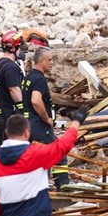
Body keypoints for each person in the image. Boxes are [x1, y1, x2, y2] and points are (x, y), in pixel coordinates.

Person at [0, 110, 86, 216]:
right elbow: (62, 146)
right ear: (27, 132)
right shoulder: (36, 155)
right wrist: (76, 122)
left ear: (7, 133)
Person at [22, 48, 69, 188]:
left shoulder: (28, 78)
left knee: (37, 158)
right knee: (58, 154)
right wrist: (47, 118)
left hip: (28, 123)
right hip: (39, 125)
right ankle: (64, 188)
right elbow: (36, 100)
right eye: (49, 60)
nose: (52, 63)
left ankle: (38, 188)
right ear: (41, 62)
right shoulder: (39, 79)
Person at [0, 30, 25, 145]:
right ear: (13, 49)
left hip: (2, 108)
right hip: (9, 110)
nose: (20, 51)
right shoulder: (11, 67)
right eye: (19, 48)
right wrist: (22, 108)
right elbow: (14, 89)